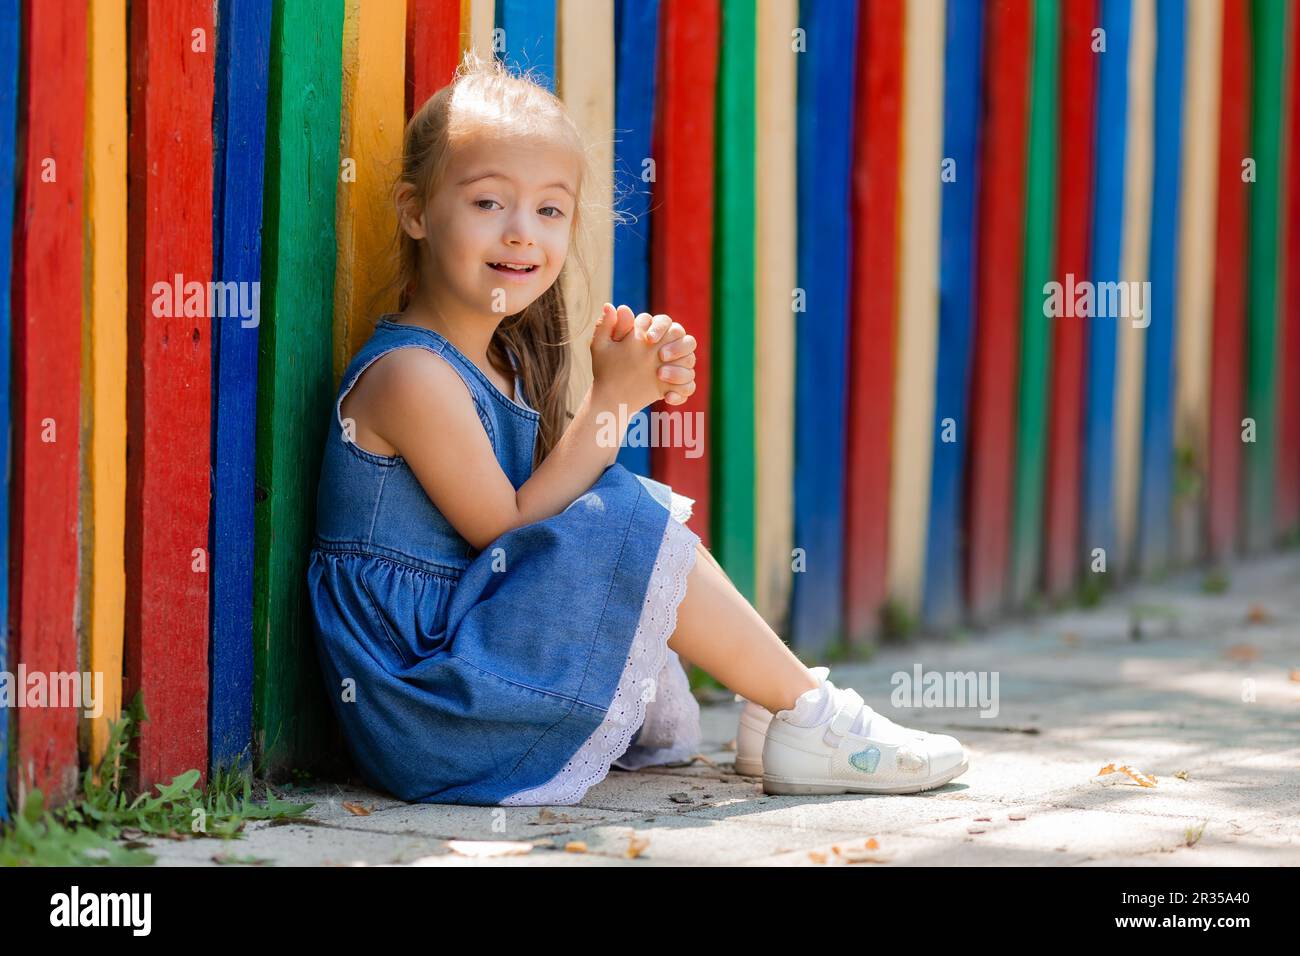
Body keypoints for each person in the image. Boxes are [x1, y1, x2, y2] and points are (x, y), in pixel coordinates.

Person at [306, 49, 968, 806]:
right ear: (416, 210)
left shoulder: (501, 369)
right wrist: (613, 403)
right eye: (490, 202)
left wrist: (633, 385)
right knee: (624, 512)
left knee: (628, 506)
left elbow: (543, 529)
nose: (524, 232)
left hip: (465, 655)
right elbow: (510, 531)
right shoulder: (411, 376)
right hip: (427, 703)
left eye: (551, 209)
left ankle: (786, 704)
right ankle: (806, 715)